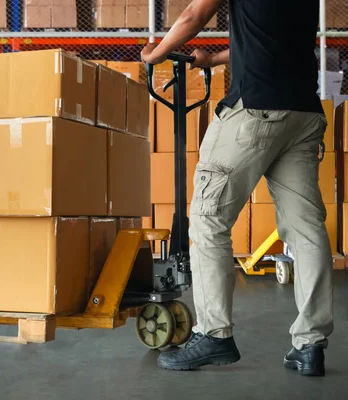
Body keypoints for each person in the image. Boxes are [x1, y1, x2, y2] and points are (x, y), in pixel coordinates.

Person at [141, 0, 333, 376]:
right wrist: (214, 61)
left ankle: (214, 334)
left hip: (256, 111)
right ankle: (310, 344)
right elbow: (276, 41)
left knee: (208, 220)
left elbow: (193, 15)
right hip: (303, 113)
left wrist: (155, 53)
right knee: (307, 231)